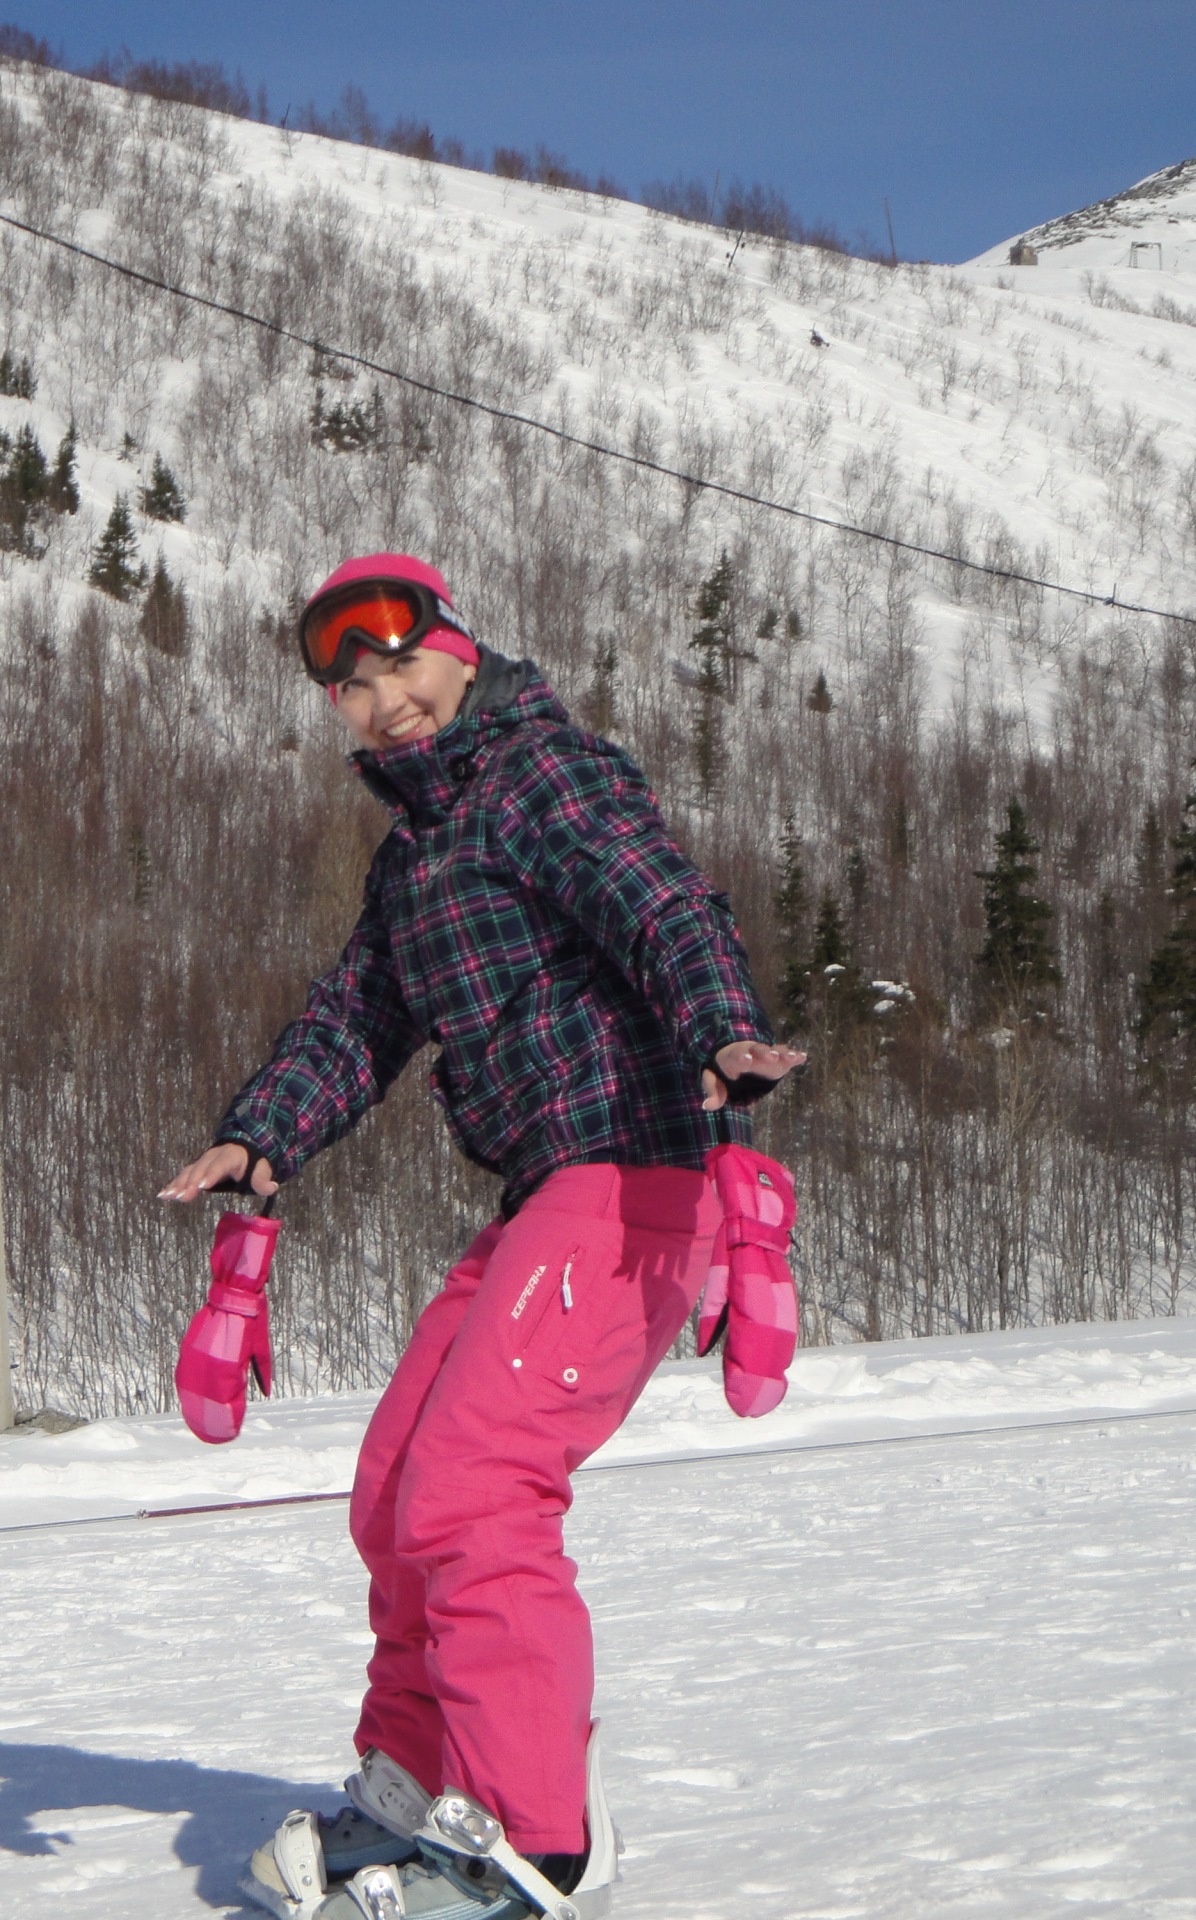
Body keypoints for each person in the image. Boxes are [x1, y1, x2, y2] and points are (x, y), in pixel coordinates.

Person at [160, 554, 804, 1920]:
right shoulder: (418, 856)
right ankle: (414, 1788)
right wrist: (261, 1135)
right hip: (546, 1197)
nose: (385, 701)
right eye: (353, 688)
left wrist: (720, 1026)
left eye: (402, 665)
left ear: (460, 650)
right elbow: (358, 1016)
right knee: (396, 1492)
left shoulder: (542, 776)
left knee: (473, 1491)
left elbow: (661, 902)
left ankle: (536, 1853)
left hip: (632, 1177)